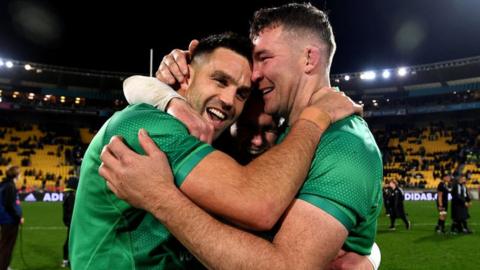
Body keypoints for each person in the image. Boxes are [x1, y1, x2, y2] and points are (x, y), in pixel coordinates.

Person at [101, 3, 383, 269]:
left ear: (309, 58)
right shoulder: (285, 133)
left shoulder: (346, 144)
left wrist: (160, 197)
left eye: (264, 58)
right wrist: (165, 90)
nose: (254, 74)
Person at [0, 165, 23, 270]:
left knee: (5, 245)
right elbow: (9, 205)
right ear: (15, 175)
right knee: (7, 246)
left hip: (6, 220)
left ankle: (5, 265)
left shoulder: (5, 184)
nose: (21, 175)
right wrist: (19, 217)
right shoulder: (10, 186)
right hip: (10, 221)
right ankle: (3, 266)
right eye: (19, 173)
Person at [62, 176, 78, 268]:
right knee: (70, 241)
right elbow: (72, 211)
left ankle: (66, 260)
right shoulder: (71, 196)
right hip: (72, 222)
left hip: (68, 221)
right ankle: (66, 260)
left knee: (69, 240)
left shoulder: (67, 194)